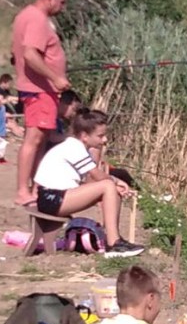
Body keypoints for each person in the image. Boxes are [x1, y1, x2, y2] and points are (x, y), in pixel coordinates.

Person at [33, 108, 144, 257]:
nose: (105, 140)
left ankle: (114, 239)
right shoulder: (74, 147)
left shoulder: (75, 146)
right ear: (84, 136)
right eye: (100, 136)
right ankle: (113, 243)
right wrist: (117, 181)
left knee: (110, 187)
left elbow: (93, 179)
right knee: (107, 185)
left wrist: (116, 184)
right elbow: (96, 175)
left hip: (53, 196)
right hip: (52, 198)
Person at [12, 0, 70, 205]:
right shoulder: (37, 19)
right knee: (34, 138)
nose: (62, 7)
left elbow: (16, 51)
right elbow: (30, 54)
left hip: (38, 88)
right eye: (61, 2)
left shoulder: (25, 15)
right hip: (39, 90)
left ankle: (37, 187)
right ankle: (22, 192)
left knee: (41, 138)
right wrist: (55, 77)